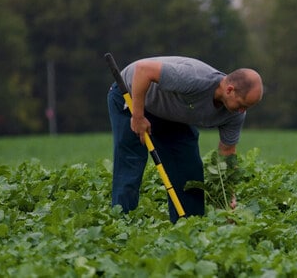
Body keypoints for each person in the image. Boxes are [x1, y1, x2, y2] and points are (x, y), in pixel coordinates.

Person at [106, 56, 263, 223]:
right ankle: (121, 224)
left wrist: (225, 197)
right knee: (131, 162)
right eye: (242, 104)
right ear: (230, 90)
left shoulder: (234, 116)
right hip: (132, 94)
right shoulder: (194, 78)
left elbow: (226, 153)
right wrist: (138, 116)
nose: (242, 111)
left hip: (170, 112)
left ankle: (189, 226)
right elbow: (143, 69)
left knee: (188, 169)